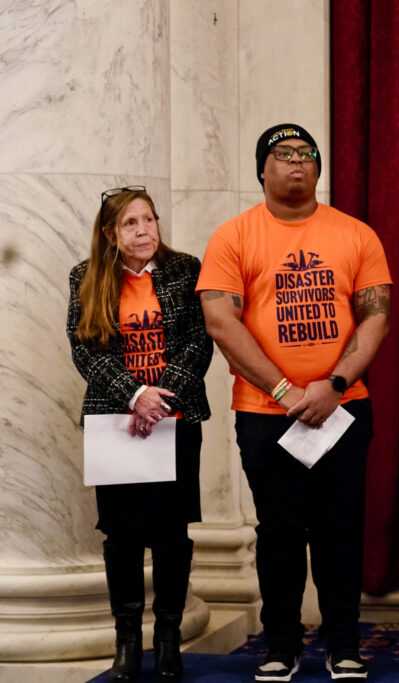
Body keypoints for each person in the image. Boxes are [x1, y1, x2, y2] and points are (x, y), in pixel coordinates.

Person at [196, 123, 392, 682]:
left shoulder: (355, 234)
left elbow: (375, 314)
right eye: (284, 155)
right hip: (265, 413)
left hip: (344, 408)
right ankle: (281, 644)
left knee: (340, 528)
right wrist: (283, 390)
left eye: (308, 154)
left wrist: (333, 385)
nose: (298, 163)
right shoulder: (234, 237)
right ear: (263, 169)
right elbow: (220, 319)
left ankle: (344, 645)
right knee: (278, 531)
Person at [67, 186, 213, 682]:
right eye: (131, 223)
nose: (144, 230)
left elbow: (199, 342)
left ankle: (168, 640)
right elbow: (85, 349)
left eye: (149, 220)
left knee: (172, 536)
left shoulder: (185, 269)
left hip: (175, 420)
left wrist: (160, 397)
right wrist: (135, 395)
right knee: (122, 538)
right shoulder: (85, 278)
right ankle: (127, 641)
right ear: (110, 234)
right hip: (116, 423)